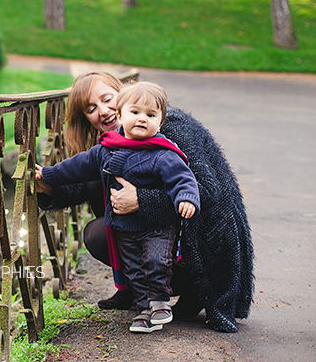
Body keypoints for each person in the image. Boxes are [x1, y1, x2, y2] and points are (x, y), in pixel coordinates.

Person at [36, 71, 253, 333]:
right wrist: (47, 185)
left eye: (107, 99)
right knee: (100, 194)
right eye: (91, 108)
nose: (104, 111)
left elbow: (206, 191)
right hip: (158, 230)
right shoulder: (117, 139)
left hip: (207, 243)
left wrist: (140, 199)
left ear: (123, 92)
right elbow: (84, 182)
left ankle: (192, 288)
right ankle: (136, 289)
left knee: (99, 232)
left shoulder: (167, 125)